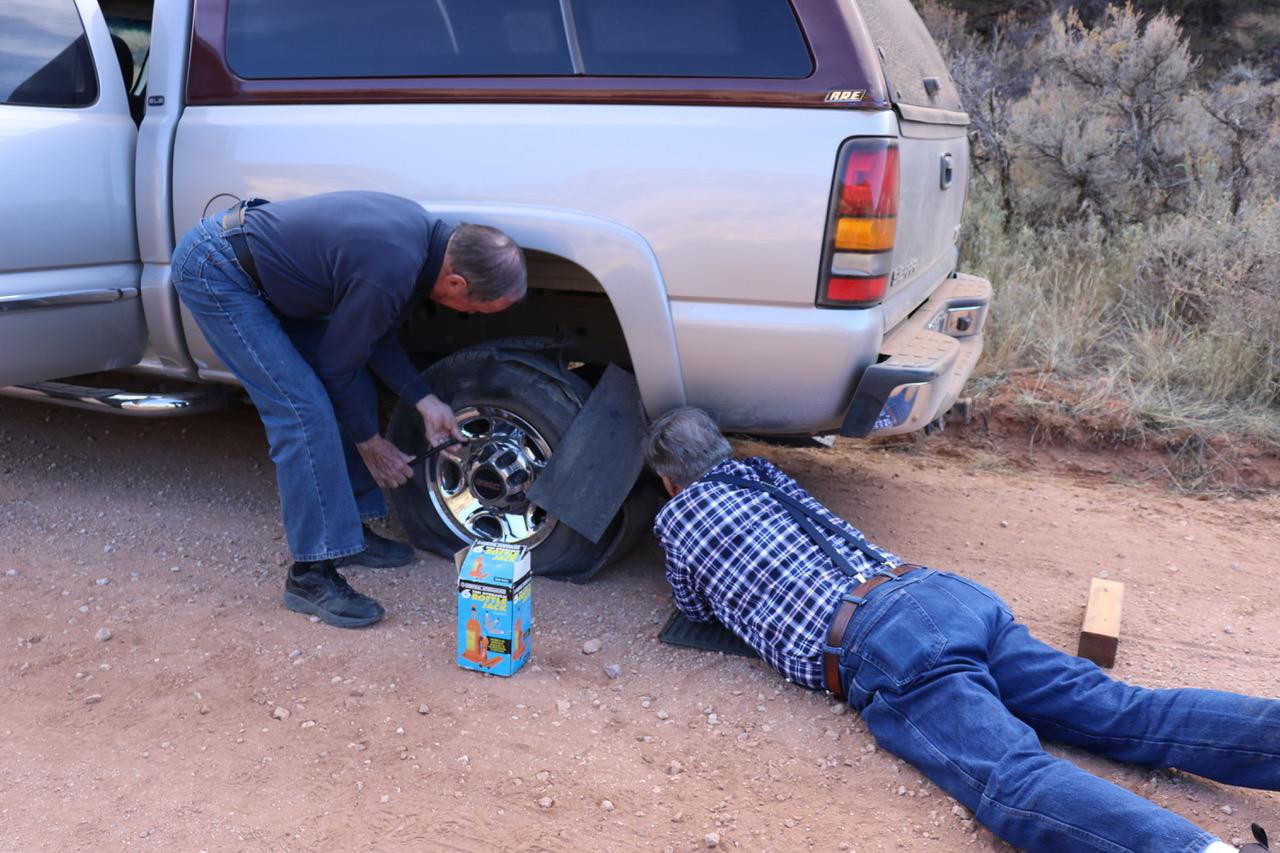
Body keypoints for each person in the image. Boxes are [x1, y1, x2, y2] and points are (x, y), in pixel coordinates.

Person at [645, 406, 1276, 853]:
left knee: (1012, 778)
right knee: (1125, 711)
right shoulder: (764, 475)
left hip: (885, 641)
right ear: (723, 450)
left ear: (669, 480)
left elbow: (694, 609)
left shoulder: (677, 518)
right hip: (945, 595)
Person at [171, 191, 525, 629]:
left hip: (269, 277)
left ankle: (348, 533)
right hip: (220, 271)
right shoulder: (393, 265)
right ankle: (310, 575)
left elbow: (374, 341)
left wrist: (424, 399)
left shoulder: (421, 246)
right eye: (474, 309)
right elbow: (335, 368)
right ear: (457, 284)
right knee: (303, 413)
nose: (468, 313)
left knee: (349, 387)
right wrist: (370, 443)